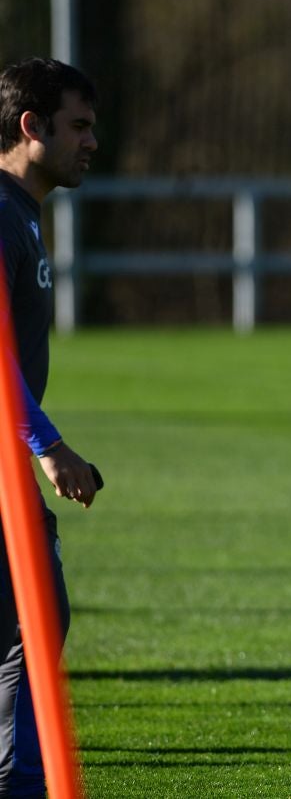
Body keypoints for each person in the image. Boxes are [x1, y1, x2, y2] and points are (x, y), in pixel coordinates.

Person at [0, 57, 103, 795]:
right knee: (33, 623)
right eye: (79, 126)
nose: (92, 142)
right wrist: (49, 446)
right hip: (5, 464)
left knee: (34, 624)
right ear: (31, 127)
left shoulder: (22, 213)